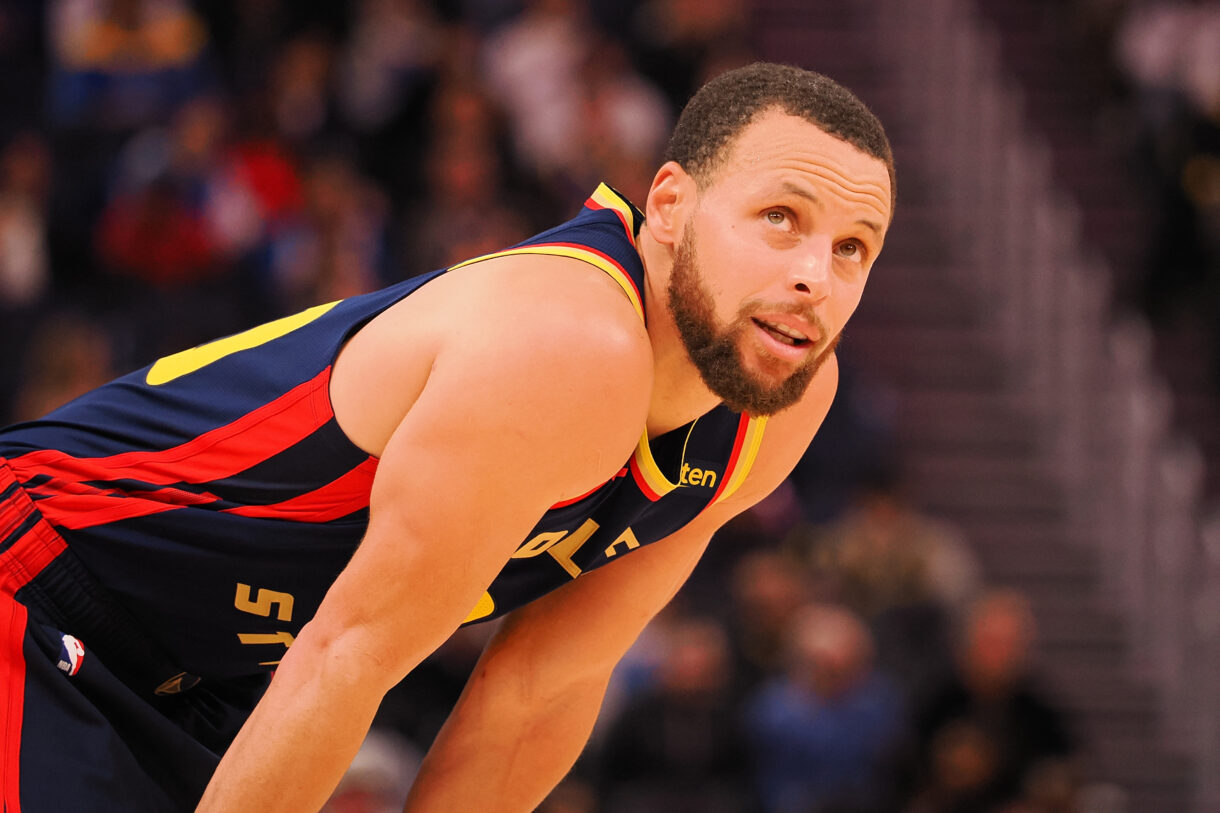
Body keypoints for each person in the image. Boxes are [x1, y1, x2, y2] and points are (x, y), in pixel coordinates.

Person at [0, 62, 895, 811]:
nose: (816, 275)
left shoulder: (780, 403)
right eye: (781, 218)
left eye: (854, 246)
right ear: (669, 204)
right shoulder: (568, 342)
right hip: (38, 569)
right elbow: (349, 653)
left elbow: (538, 691)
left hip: (199, 671)